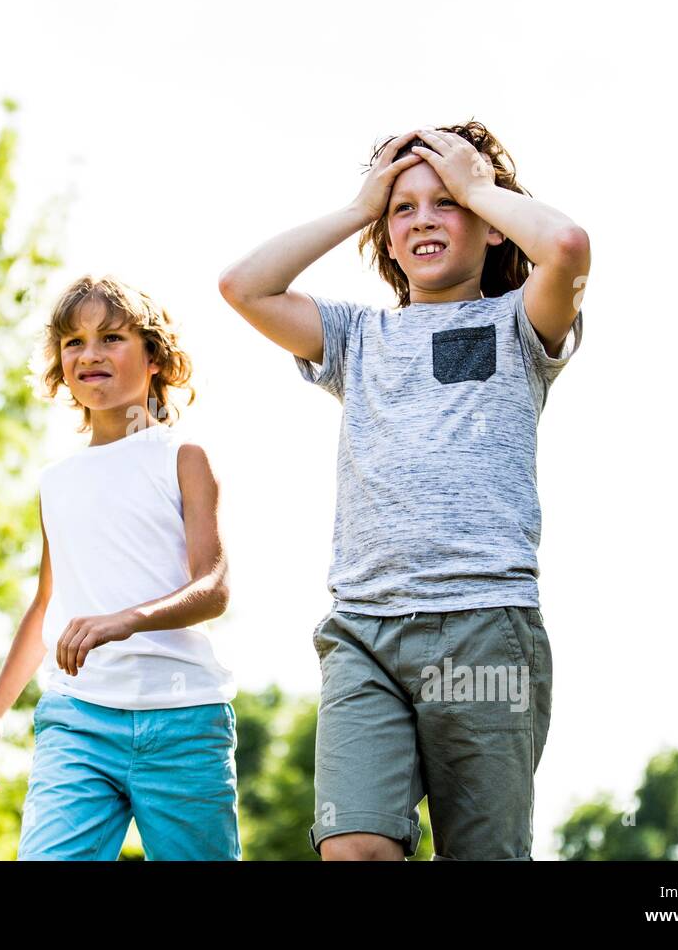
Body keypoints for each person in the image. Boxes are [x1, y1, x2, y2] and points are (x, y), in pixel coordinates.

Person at [218, 122, 590, 860]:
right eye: (403, 207)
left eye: (446, 201)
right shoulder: (356, 338)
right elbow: (242, 285)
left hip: (484, 630)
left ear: (489, 225)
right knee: (353, 847)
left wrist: (479, 185)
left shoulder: (519, 324)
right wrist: (361, 204)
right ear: (386, 239)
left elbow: (570, 248)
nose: (423, 218)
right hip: (364, 632)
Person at [0, 273, 240, 860]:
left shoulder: (183, 456)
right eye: (73, 342)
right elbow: (45, 606)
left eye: (111, 338)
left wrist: (126, 620)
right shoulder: (56, 481)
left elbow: (213, 587)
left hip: (183, 722)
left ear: (155, 357)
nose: (90, 354)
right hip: (77, 721)